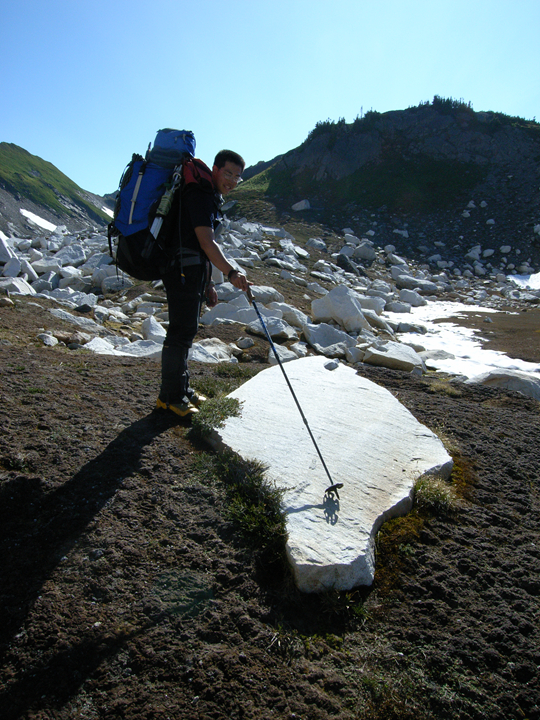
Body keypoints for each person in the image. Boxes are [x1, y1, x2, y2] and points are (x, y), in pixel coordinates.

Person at [156, 149, 250, 417]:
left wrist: (208, 283)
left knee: (185, 333)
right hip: (182, 270)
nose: (231, 180)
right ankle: (170, 398)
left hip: (190, 270)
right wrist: (231, 273)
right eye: (228, 173)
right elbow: (206, 242)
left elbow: (199, 245)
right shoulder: (200, 194)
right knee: (180, 333)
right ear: (216, 169)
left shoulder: (207, 193)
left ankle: (181, 390)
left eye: (237, 177)